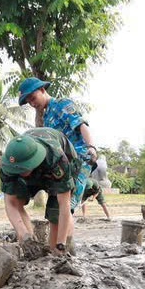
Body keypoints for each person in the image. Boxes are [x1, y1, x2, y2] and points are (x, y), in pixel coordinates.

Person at [18, 77, 98, 213]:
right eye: (28, 102)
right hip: (63, 164)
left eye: (33, 98)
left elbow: (81, 125)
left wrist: (91, 147)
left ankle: (90, 189)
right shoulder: (47, 117)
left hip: (80, 158)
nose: (32, 103)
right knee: (59, 208)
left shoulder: (62, 104)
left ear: (42, 90)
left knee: (68, 206)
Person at [0, 127, 78, 253]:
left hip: (62, 160)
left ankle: (65, 247)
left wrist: (60, 244)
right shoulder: (8, 165)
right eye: (16, 170)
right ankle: (31, 244)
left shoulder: (57, 159)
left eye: (22, 169)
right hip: (32, 163)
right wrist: (24, 235)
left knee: (55, 212)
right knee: (18, 201)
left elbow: (64, 205)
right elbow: (11, 203)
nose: (19, 172)